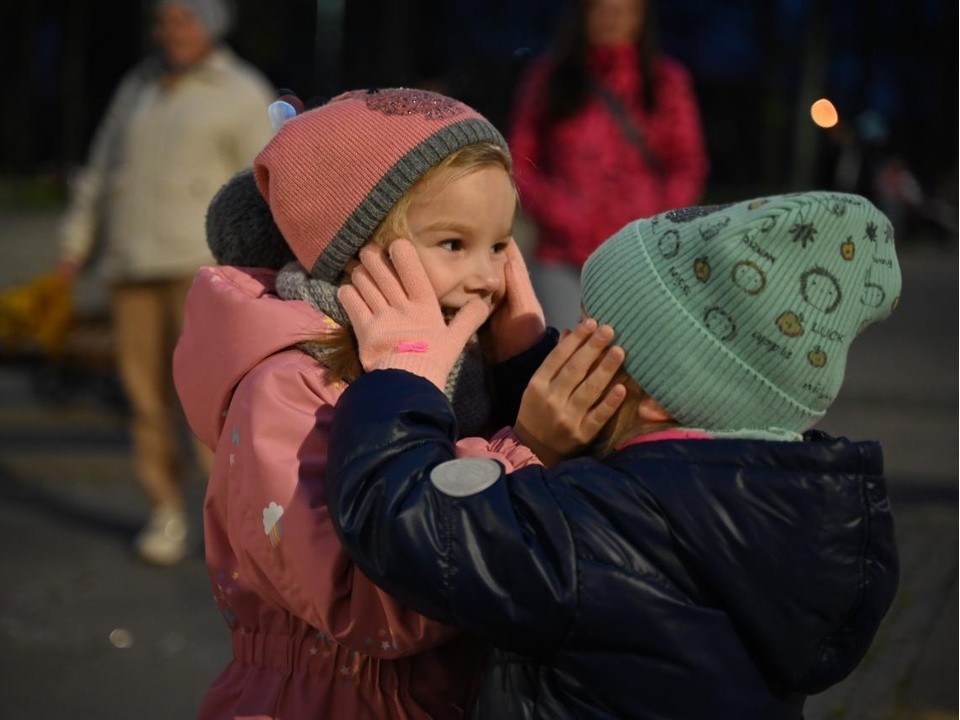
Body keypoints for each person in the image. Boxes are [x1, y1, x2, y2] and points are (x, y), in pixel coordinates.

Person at [324, 191, 902, 718]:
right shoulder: (803, 516)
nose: (570, 341)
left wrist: (405, 376)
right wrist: (526, 360)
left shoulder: (599, 533)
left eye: (589, 332)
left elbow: (408, 522)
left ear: (659, 393)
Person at [172, 87, 624, 720]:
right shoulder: (289, 388)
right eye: (452, 245)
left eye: (499, 245)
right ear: (353, 251)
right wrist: (527, 450)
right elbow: (375, 608)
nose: (490, 279)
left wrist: (524, 366)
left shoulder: (470, 363)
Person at [56, 0, 275, 564]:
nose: (171, 31)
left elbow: (264, 181)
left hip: (200, 268)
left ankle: (228, 519)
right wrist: (75, 245)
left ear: (211, 26)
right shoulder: (140, 84)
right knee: (144, 399)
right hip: (132, 264)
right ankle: (166, 512)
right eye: (164, 20)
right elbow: (102, 170)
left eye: (185, 19)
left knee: (209, 402)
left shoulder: (241, 90)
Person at [507, 0, 709, 328]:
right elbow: (520, 161)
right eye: (603, 9)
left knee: (635, 365)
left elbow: (687, 165)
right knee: (564, 356)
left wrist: (653, 219)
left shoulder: (665, 82)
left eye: (626, 10)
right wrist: (561, 211)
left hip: (640, 257)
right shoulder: (549, 78)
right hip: (562, 255)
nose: (614, 19)